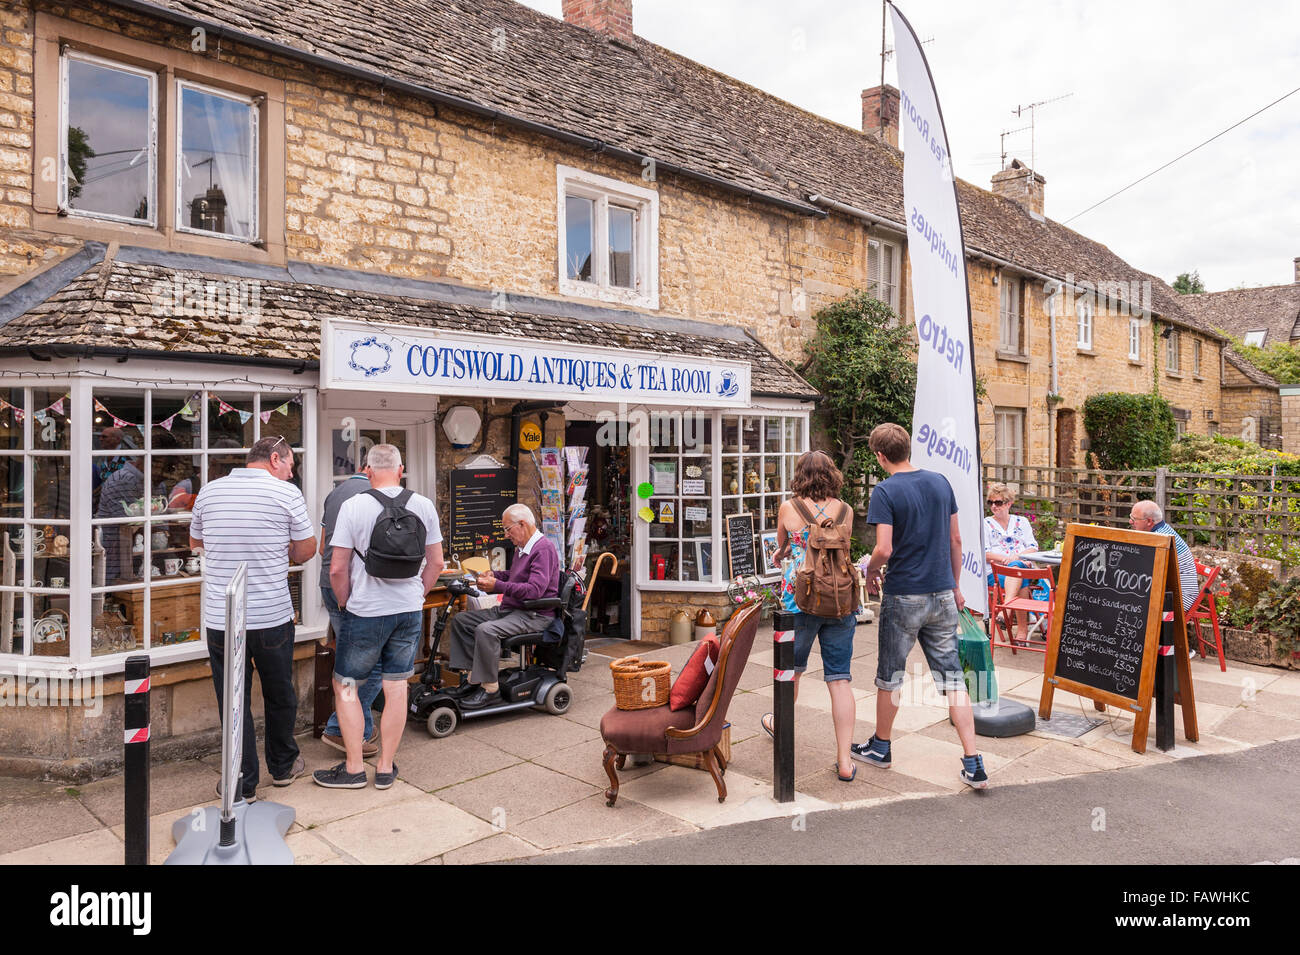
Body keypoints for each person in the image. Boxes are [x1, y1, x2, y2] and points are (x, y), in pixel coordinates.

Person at [853, 423, 989, 789]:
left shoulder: (885, 491)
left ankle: (881, 747)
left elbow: (883, 549)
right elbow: (956, 540)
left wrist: (870, 570)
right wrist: (955, 586)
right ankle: (973, 761)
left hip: (904, 595)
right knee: (953, 678)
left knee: (890, 675)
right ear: (907, 448)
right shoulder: (941, 483)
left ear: (881, 455)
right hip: (942, 593)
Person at [189, 435, 316, 801]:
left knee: (233, 700)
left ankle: (242, 781)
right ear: (275, 459)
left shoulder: (209, 492)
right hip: (272, 615)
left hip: (222, 617)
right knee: (280, 693)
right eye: (290, 466)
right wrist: (279, 549)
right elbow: (307, 549)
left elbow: (195, 544)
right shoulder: (287, 494)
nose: (291, 474)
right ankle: (283, 766)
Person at [314, 444, 444, 789]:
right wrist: (418, 594)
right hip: (408, 611)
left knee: (346, 685)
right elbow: (436, 563)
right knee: (396, 686)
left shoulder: (354, 505)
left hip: (365, 612)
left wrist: (345, 602)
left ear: (368, 471)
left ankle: (354, 768)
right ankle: (385, 768)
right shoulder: (423, 505)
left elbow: (337, 568)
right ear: (401, 470)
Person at [763, 450, 858, 782]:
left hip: (799, 601)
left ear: (800, 475)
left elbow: (784, 545)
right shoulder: (845, 510)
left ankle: (781, 730)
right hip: (838, 600)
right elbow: (842, 548)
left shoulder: (789, 508)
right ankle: (845, 761)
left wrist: (781, 553)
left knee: (791, 674)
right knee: (840, 679)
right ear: (832, 475)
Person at [447, 503, 558, 710]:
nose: (506, 535)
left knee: (486, 630)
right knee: (462, 620)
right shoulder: (522, 547)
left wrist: (497, 585)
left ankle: (490, 689)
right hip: (512, 609)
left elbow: (535, 590)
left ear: (522, 524)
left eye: (508, 529)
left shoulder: (543, 549)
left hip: (533, 614)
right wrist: (495, 575)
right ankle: (473, 680)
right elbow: (515, 577)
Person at [318, 467, 383, 757]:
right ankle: (338, 729)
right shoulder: (374, 495)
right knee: (375, 664)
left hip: (329, 585)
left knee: (350, 659)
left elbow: (323, 547)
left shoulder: (335, 494)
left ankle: (359, 727)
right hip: (355, 588)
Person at [983, 481, 1040, 644]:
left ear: (1009, 503)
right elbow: (984, 553)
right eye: (990, 502)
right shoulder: (986, 524)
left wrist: (1017, 557)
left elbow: (1033, 547)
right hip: (996, 572)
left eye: (998, 502)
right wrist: (1006, 560)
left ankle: (1006, 609)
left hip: (1020, 567)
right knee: (1021, 576)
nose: (994, 506)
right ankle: (1022, 630)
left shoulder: (1022, 522)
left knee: (1018, 570)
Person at [1129, 500, 1198, 612]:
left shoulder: (1160, 540)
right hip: (1170, 592)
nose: (1130, 521)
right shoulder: (1160, 532)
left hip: (1180, 599)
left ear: (1149, 522)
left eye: (1134, 519)